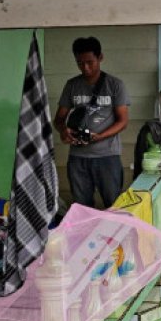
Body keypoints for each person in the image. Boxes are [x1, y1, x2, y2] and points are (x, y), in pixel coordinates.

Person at [54, 37, 130, 208]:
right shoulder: (72, 85)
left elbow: (123, 121)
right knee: (81, 207)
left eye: (90, 62)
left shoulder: (115, 85)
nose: (85, 68)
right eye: (80, 63)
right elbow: (59, 119)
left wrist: (100, 136)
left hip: (107, 156)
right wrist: (63, 131)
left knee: (114, 204)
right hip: (78, 157)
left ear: (100, 57)